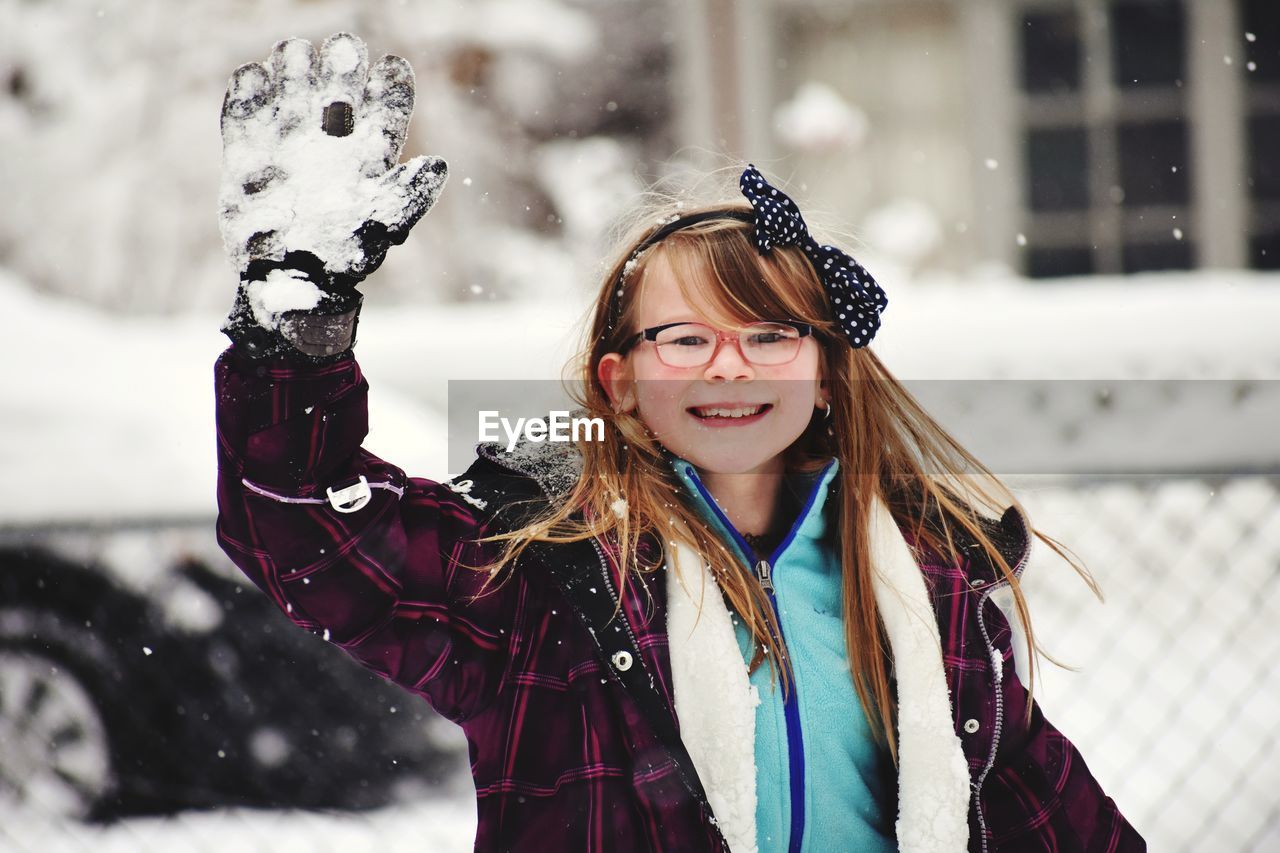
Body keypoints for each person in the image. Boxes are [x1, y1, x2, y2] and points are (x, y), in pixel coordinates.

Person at [213, 33, 1145, 853]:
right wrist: (296, 332)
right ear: (620, 385)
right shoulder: (538, 576)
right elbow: (306, 530)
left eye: (771, 335)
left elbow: (1051, 820)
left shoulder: (932, 583)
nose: (729, 369)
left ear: (824, 370)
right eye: (687, 339)